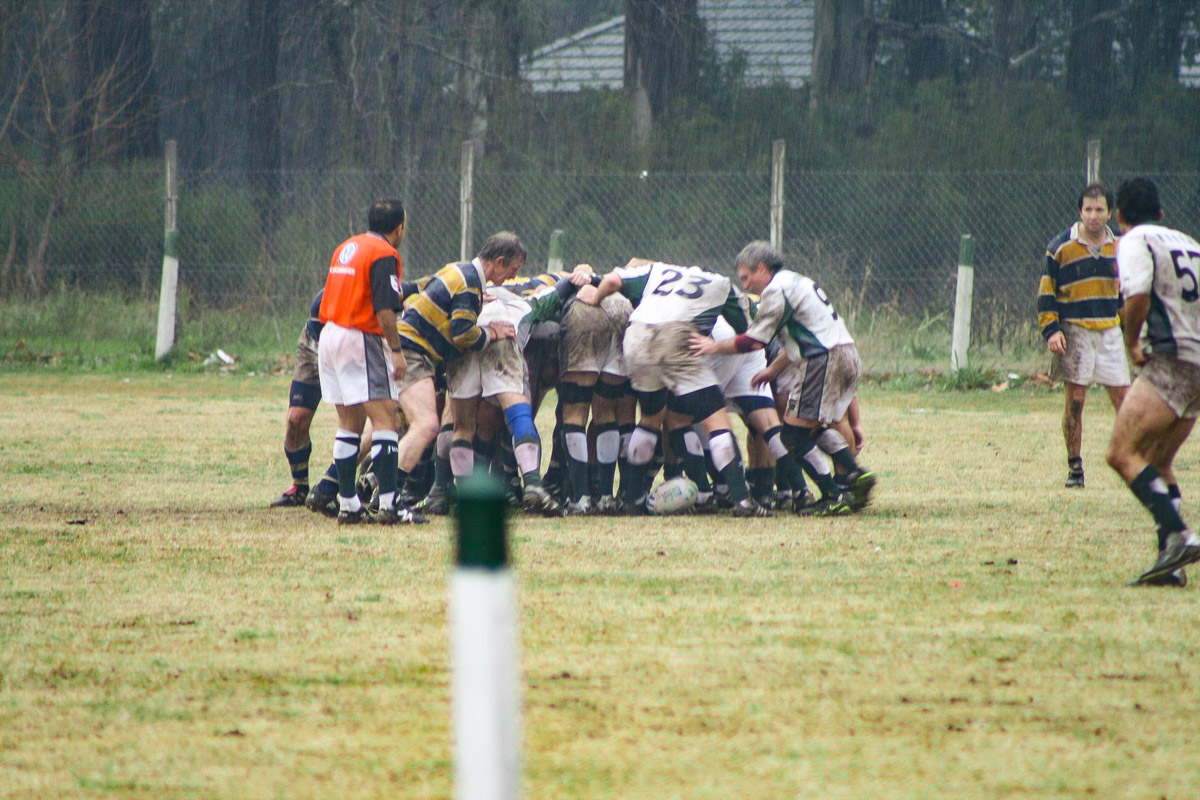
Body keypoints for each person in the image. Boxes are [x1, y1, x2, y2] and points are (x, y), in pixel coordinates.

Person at [691, 240, 875, 516]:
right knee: (809, 429)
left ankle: (838, 489)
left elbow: (753, 340)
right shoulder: (796, 281)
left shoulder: (775, 290)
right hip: (845, 354)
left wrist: (714, 347)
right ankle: (851, 476)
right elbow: (801, 337)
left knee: (793, 436)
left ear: (762, 268)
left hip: (822, 360)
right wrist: (772, 370)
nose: (745, 286)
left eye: (747, 277)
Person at [585, 258, 771, 517]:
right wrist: (718, 346)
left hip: (636, 336)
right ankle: (742, 500)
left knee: (650, 418)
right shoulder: (722, 284)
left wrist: (596, 298)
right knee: (717, 421)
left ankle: (632, 499)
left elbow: (613, 280)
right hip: (677, 335)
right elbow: (749, 335)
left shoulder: (659, 270)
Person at [1105, 177, 1200, 586]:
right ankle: (1170, 565)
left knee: (1121, 453)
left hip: (1171, 359)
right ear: (1161, 212)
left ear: (1119, 217)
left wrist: (1130, 344)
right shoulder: (1189, 243)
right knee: (1158, 461)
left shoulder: (1133, 241)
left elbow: (1138, 294)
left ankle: (1178, 533)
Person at [392, 233, 524, 506]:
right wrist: (492, 332)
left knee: (409, 425)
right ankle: (387, 496)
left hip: (409, 346)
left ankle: (379, 491)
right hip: (413, 350)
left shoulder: (460, 271)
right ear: (498, 262)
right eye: (512, 271)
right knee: (426, 425)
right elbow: (462, 334)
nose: (511, 279)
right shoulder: (469, 284)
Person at [316, 198, 418, 525]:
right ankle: (390, 505)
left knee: (349, 423)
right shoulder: (385, 253)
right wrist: (397, 350)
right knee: (386, 417)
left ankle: (348, 505)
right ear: (399, 227)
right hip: (360, 336)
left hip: (330, 334)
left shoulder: (347, 247)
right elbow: (384, 308)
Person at [1038, 183, 1129, 488]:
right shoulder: (1061, 246)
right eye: (1088, 210)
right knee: (1076, 400)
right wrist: (1051, 329)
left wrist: (1133, 332)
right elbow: (1046, 291)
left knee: (1125, 401)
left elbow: (1127, 295)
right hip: (1075, 329)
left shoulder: (1121, 248)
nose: (1093, 216)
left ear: (1110, 213)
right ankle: (1075, 468)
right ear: (1080, 212)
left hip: (1109, 329)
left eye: (1099, 210)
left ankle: (1134, 461)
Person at [270, 289, 324, 507]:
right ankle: (300, 487)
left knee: (361, 422)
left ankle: (347, 486)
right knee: (296, 420)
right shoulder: (347, 261)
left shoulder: (382, 268)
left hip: (352, 342)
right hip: (314, 338)